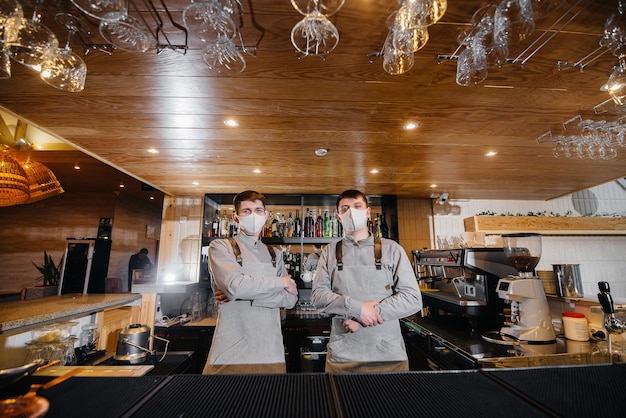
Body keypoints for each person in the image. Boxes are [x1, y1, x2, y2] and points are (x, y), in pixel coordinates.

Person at [311, 189, 422, 373]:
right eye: (345, 208)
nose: (351, 212)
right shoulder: (329, 252)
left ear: (368, 212)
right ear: (339, 217)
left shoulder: (392, 249)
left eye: (357, 206)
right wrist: (359, 309)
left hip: (388, 355)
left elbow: (412, 299)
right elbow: (318, 296)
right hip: (343, 356)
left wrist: (364, 316)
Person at [203, 190, 298, 374]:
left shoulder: (274, 254)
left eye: (258, 210)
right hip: (232, 348)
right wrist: (281, 282)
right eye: (246, 211)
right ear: (236, 217)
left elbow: (290, 299)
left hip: (271, 349)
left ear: (266, 215)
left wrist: (246, 295)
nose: (253, 215)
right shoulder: (221, 247)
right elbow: (234, 286)